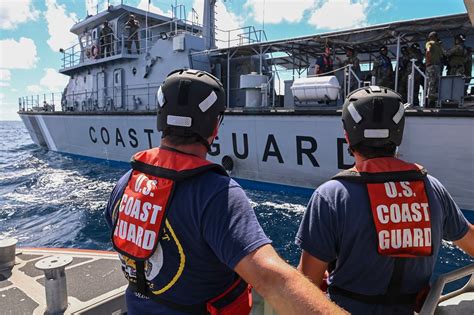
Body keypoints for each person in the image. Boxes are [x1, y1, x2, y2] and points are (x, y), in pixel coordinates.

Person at [104, 69, 346, 315]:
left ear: (161, 119)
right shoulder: (216, 192)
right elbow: (270, 279)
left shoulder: (125, 184)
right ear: (215, 126)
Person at [295, 85, 474, 315]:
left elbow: (304, 285)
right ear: (398, 134)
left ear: (348, 136)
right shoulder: (433, 188)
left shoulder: (331, 196)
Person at [425, 31, 444, 107]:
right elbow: (442, 56)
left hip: (431, 66)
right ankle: (435, 102)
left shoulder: (429, 43)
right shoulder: (439, 46)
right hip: (438, 67)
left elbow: (428, 51)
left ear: (431, 37)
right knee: (436, 85)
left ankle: (430, 103)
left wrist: (428, 62)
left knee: (430, 84)